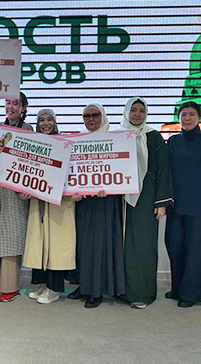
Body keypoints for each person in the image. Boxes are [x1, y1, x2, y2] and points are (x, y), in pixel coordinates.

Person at [68, 103, 125, 308]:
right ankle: (84, 285)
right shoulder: (77, 141)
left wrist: (110, 187)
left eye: (95, 115)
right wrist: (72, 191)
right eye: (87, 116)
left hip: (105, 202)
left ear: (103, 116)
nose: (91, 119)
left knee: (100, 245)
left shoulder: (114, 140)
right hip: (83, 202)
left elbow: (122, 170)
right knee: (82, 245)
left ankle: (97, 290)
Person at [118, 97, 173, 309]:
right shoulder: (117, 135)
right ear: (127, 112)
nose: (137, 114)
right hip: (119, 198)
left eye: (141, 110)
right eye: (133, 110)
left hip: (146, 197)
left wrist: (161, 202)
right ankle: (121, 290)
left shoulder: (153, 136)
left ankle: (141, 293)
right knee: (121, 244)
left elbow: (164, 169)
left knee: (143, 245)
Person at [166, 101, 201, 308]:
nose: (187, 118)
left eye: (191, 114)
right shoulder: (173, 141)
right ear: (178, 118)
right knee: (175, 247)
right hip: (175, 205)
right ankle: (177, 289)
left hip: (200, 205)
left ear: (199, 118)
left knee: (195, 250)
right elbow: (167, 172)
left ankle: (191, 294)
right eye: (183, 114)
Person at [22, 109, 79, 304]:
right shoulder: (34, 145)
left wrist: (76, 191)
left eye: (49, 120)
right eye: (41, 120)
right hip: (39, 202)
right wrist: (24, 189)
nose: (45, 123)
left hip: (60, 203)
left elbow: (74, 171)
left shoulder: (64, 145)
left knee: (55, 247)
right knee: (40, 244)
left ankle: (54, 288)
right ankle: (43, 283)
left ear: (55, 122)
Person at [0, 93, 33, 302]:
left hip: (16, 191)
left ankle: (10, 286)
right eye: (8, 103)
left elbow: (34, 163)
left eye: (16, 103)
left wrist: (30, 189)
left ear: (23, 108)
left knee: (12, 237)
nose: (11, 107)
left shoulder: (28, 129)